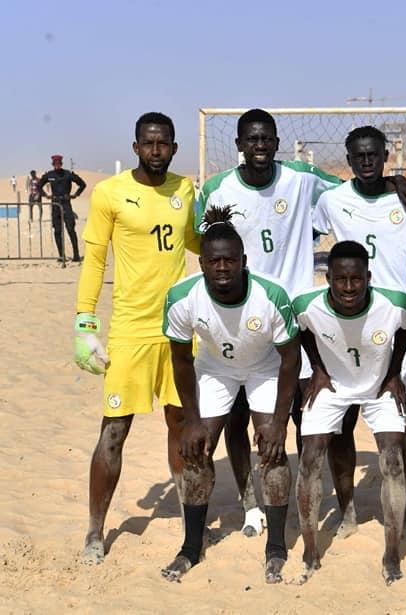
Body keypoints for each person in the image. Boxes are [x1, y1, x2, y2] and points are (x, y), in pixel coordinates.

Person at [197, 109, 406, 537]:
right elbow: (206, 244)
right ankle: (250, 506)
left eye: (268, 139)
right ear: (240, 143)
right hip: (242, 315)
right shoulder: (216, 190)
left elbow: (360, 186)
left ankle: (304, 499)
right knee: (239, 415)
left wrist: (397, 182)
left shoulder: (302, 179)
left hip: (298, 318)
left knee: (308, 414)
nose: (261, 146)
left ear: (277, 141)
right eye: (253, 139)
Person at [73, 112, 200, 564]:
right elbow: (94, 260)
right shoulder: (109, 193)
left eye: (163, 143)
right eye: (148, 144)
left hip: (180, 331)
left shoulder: (185, 190)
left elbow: (197, 243)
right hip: (129, 331)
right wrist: (85, 322)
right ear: (136, 148)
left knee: (182, 427)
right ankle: (94, 531)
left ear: (174, 147)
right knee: (113, 432)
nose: (156, 150)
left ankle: (192, 521)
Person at [162, 206, 299, 583]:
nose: (223, 267)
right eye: (215, 260)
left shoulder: (271, 295)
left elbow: (290, 360)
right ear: (202, 263)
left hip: (264, 367)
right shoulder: (181, 298)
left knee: (271, 450)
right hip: (215, 369)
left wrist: (279, 423)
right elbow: (181, 359)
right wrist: (191, 421)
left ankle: (276, 547)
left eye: (230, 260)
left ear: (243, 260)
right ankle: (191, 547)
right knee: (194, 450)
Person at [292, 240, 406, 586]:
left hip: (378, 388)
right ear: (327, 277)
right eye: (340, 279)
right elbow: (301, 331)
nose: (348, 287)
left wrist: (393, 373)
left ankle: (391, 553)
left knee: (391, 458)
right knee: (311, 458)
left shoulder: (393, 304)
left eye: (356, 280)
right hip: (332, 387)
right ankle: (311, 549)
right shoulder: (307, 304)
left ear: (368, 277)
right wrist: (317, 368)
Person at [40, 154, 86, 262]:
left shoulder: (67, 174)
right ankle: (61, 256)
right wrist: (45, 195)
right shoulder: (49, 175)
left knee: (70, 229)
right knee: (57, 231)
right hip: (55, 205)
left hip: (66, 204)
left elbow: (82, 184)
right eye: (55, 164)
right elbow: (39, 185)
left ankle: (76, 255)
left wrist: (75, 194)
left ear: (61, 163)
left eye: (59, 163)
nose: (57, 165)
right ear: (53, 164)